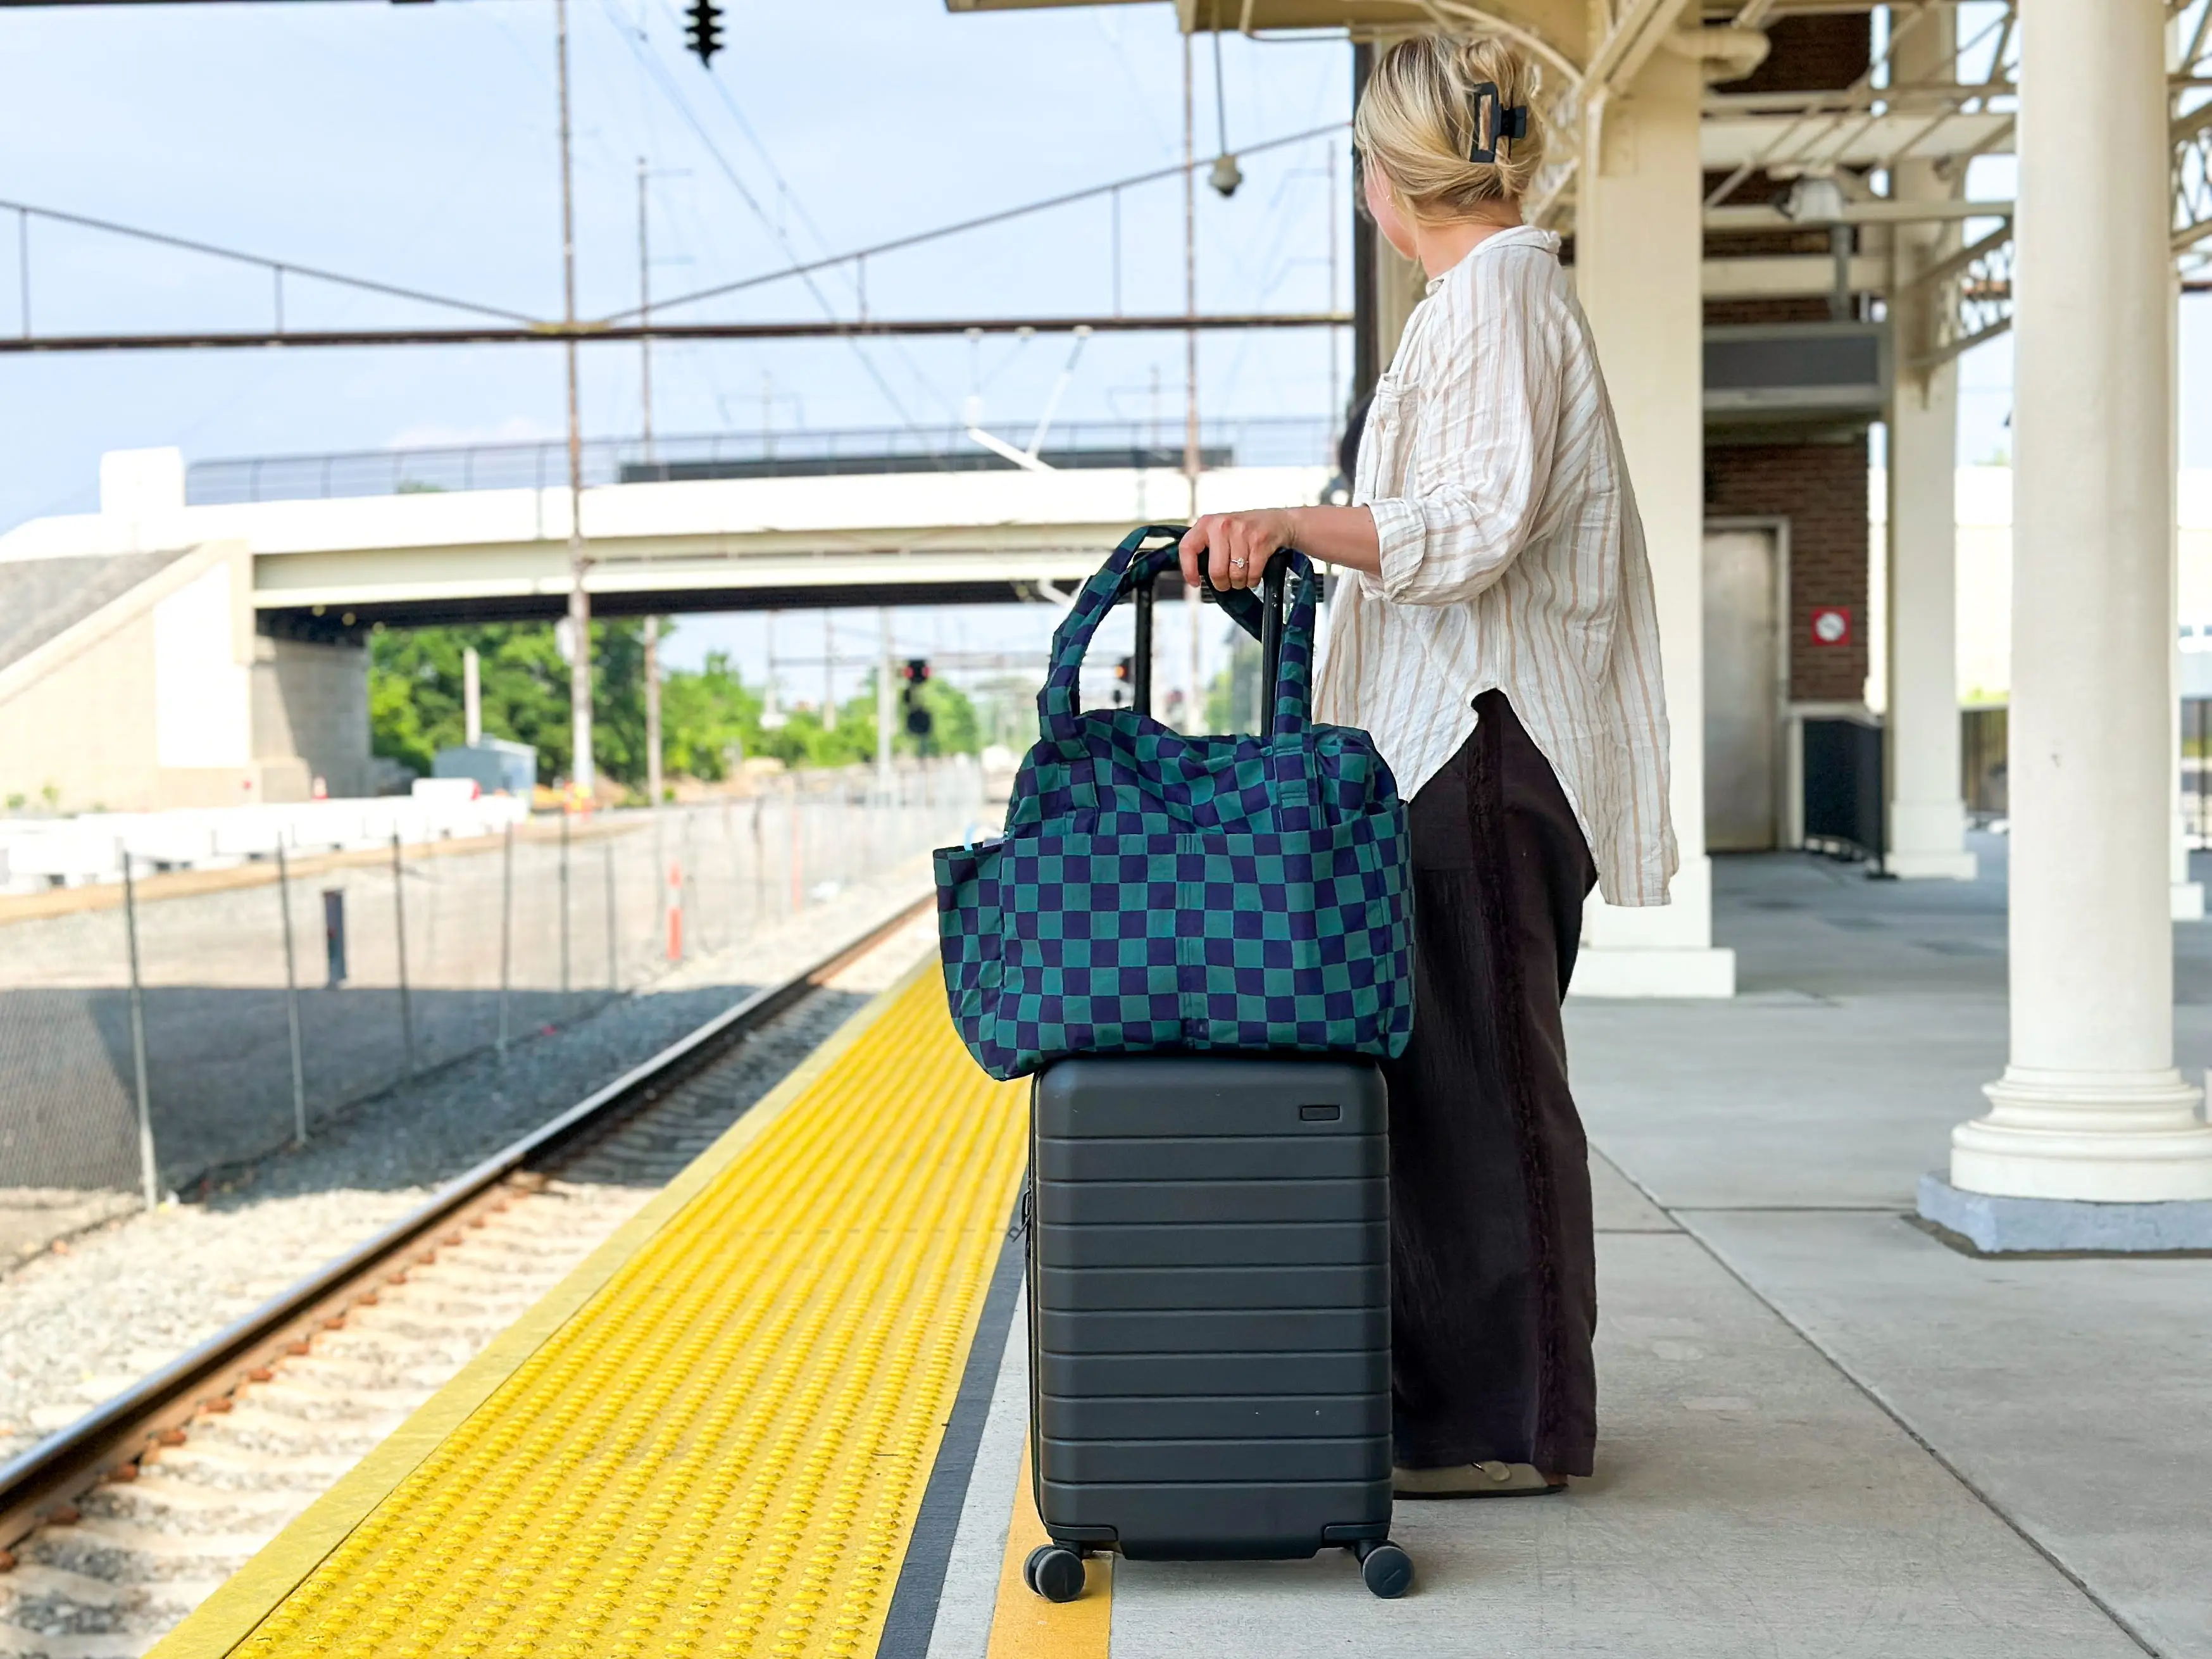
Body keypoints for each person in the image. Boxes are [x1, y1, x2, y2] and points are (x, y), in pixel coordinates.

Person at [1179, 32, 1676, 1497]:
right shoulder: (1478, 303)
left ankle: (1512, 1426)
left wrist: (1293, 520)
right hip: (1447, 742)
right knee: (1448, 1088)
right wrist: (1294, 548)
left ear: (1386, 180)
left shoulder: (1500, 295)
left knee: (1489, 1096)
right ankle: (1450, 1413)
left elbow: (1473, 521)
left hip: (1483, 740)